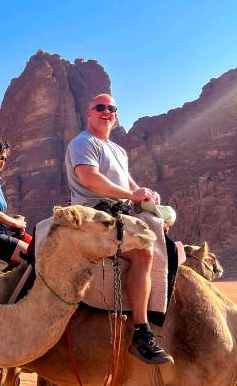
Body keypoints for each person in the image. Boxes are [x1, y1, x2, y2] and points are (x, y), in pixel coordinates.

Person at [65, 94, 173, 365]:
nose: (106, 112)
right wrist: (130, 194)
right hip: (95, 212)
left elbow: (129, 184)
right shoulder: (83, 143)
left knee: (166, 242)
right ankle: (141, 332)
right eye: (100, 107)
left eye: (111, 108)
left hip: (120, 212)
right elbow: (90, 179)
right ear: (88, 113)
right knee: (143, 253)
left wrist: (145, 195)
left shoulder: (118, 150)